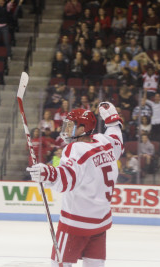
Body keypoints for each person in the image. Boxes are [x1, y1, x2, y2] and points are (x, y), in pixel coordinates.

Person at [27, 102, 123, 266]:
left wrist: (47, 173)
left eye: (71, 125)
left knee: (60, 264)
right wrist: (113, 121)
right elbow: (117, 141)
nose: (65, 129)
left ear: (82, 129)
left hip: (75, 224)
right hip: (100, 223)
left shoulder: (76, 148)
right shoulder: (103, 141)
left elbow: (66, 180)